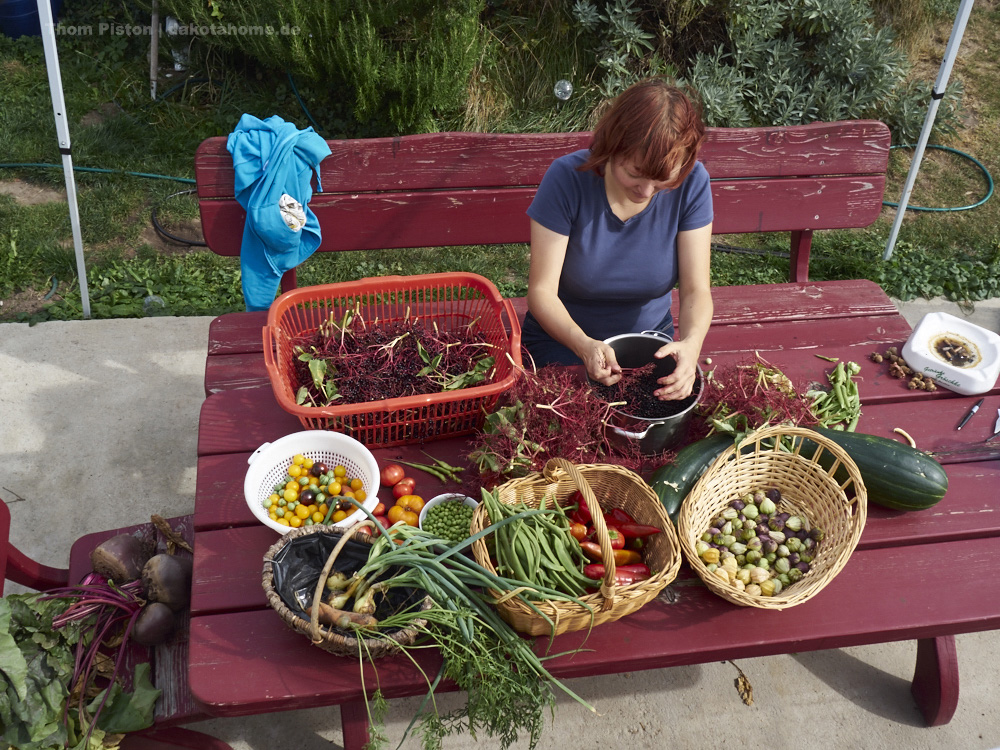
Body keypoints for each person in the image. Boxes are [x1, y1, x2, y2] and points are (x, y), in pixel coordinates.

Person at [523, 78, 713, 401]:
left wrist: (692, 345)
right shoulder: (567, 179)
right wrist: (584, 345)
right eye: (635, 173)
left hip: (648, 350)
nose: (646, 191)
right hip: (564, 344)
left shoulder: (693, 183)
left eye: (662, 180)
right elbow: (541, 292)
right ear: (613, 144)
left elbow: (696, 290)